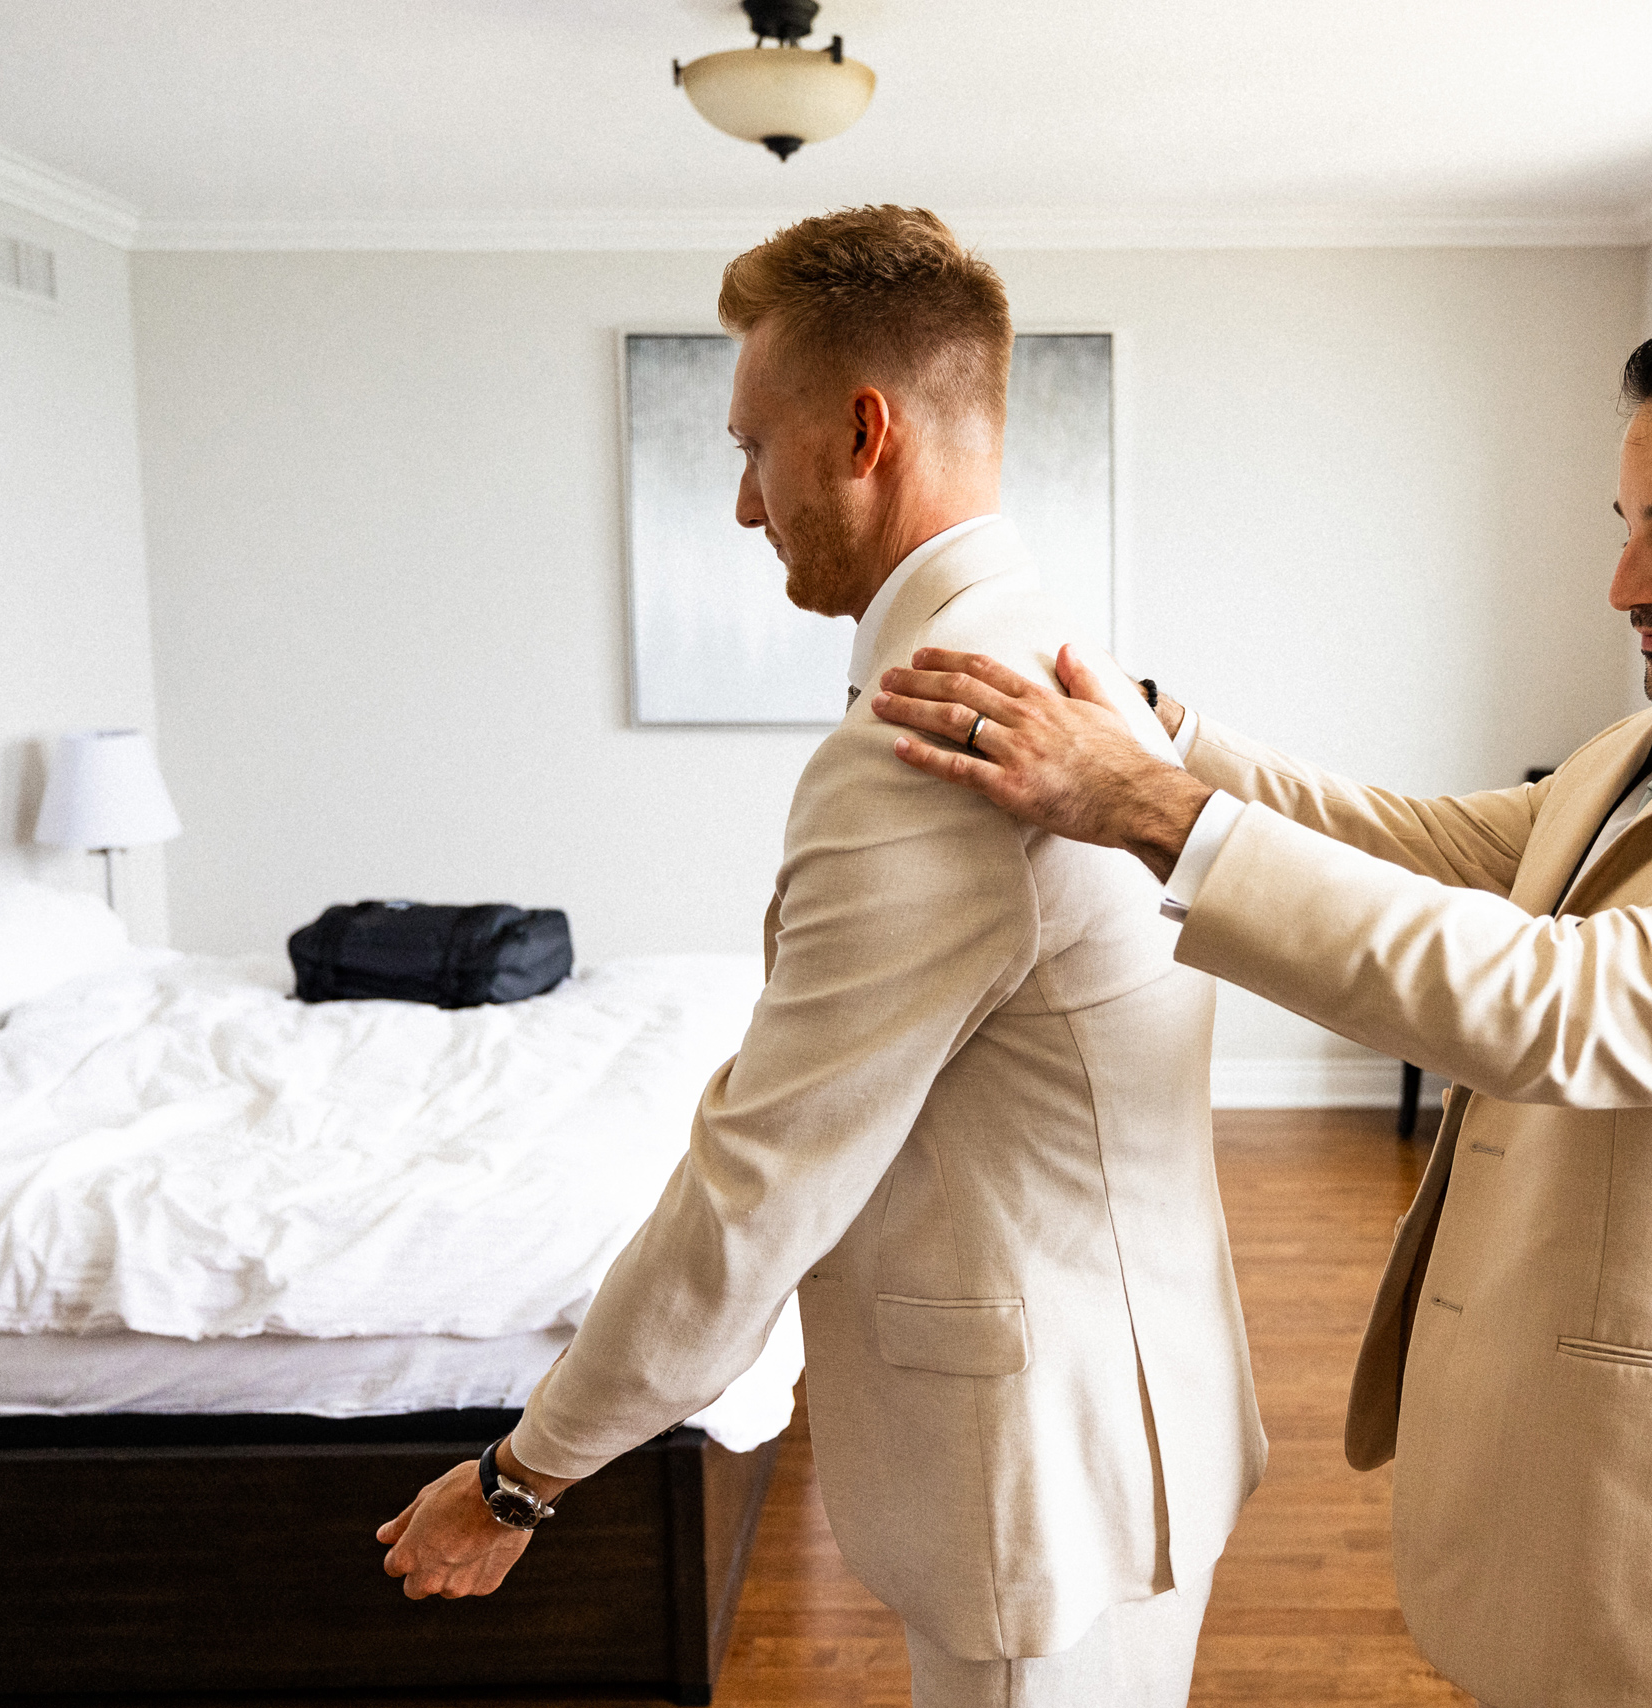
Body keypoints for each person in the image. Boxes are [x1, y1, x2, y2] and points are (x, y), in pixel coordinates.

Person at [870, 292, 1652, 1708]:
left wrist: (1154, 813)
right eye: (1626, 526)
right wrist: (1157, 728)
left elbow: (1559, 1006)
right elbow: (1432, 846)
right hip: (1559, 1501)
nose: (1624, 584)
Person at [373, 205, 1265, 1708]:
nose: (740, 506)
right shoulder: (1069, 658)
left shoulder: (925, 744)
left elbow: (761, 1183)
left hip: (1033, 1482)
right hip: (1140, 1417)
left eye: (751, 447)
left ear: (863, 431)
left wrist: (523, 1474)